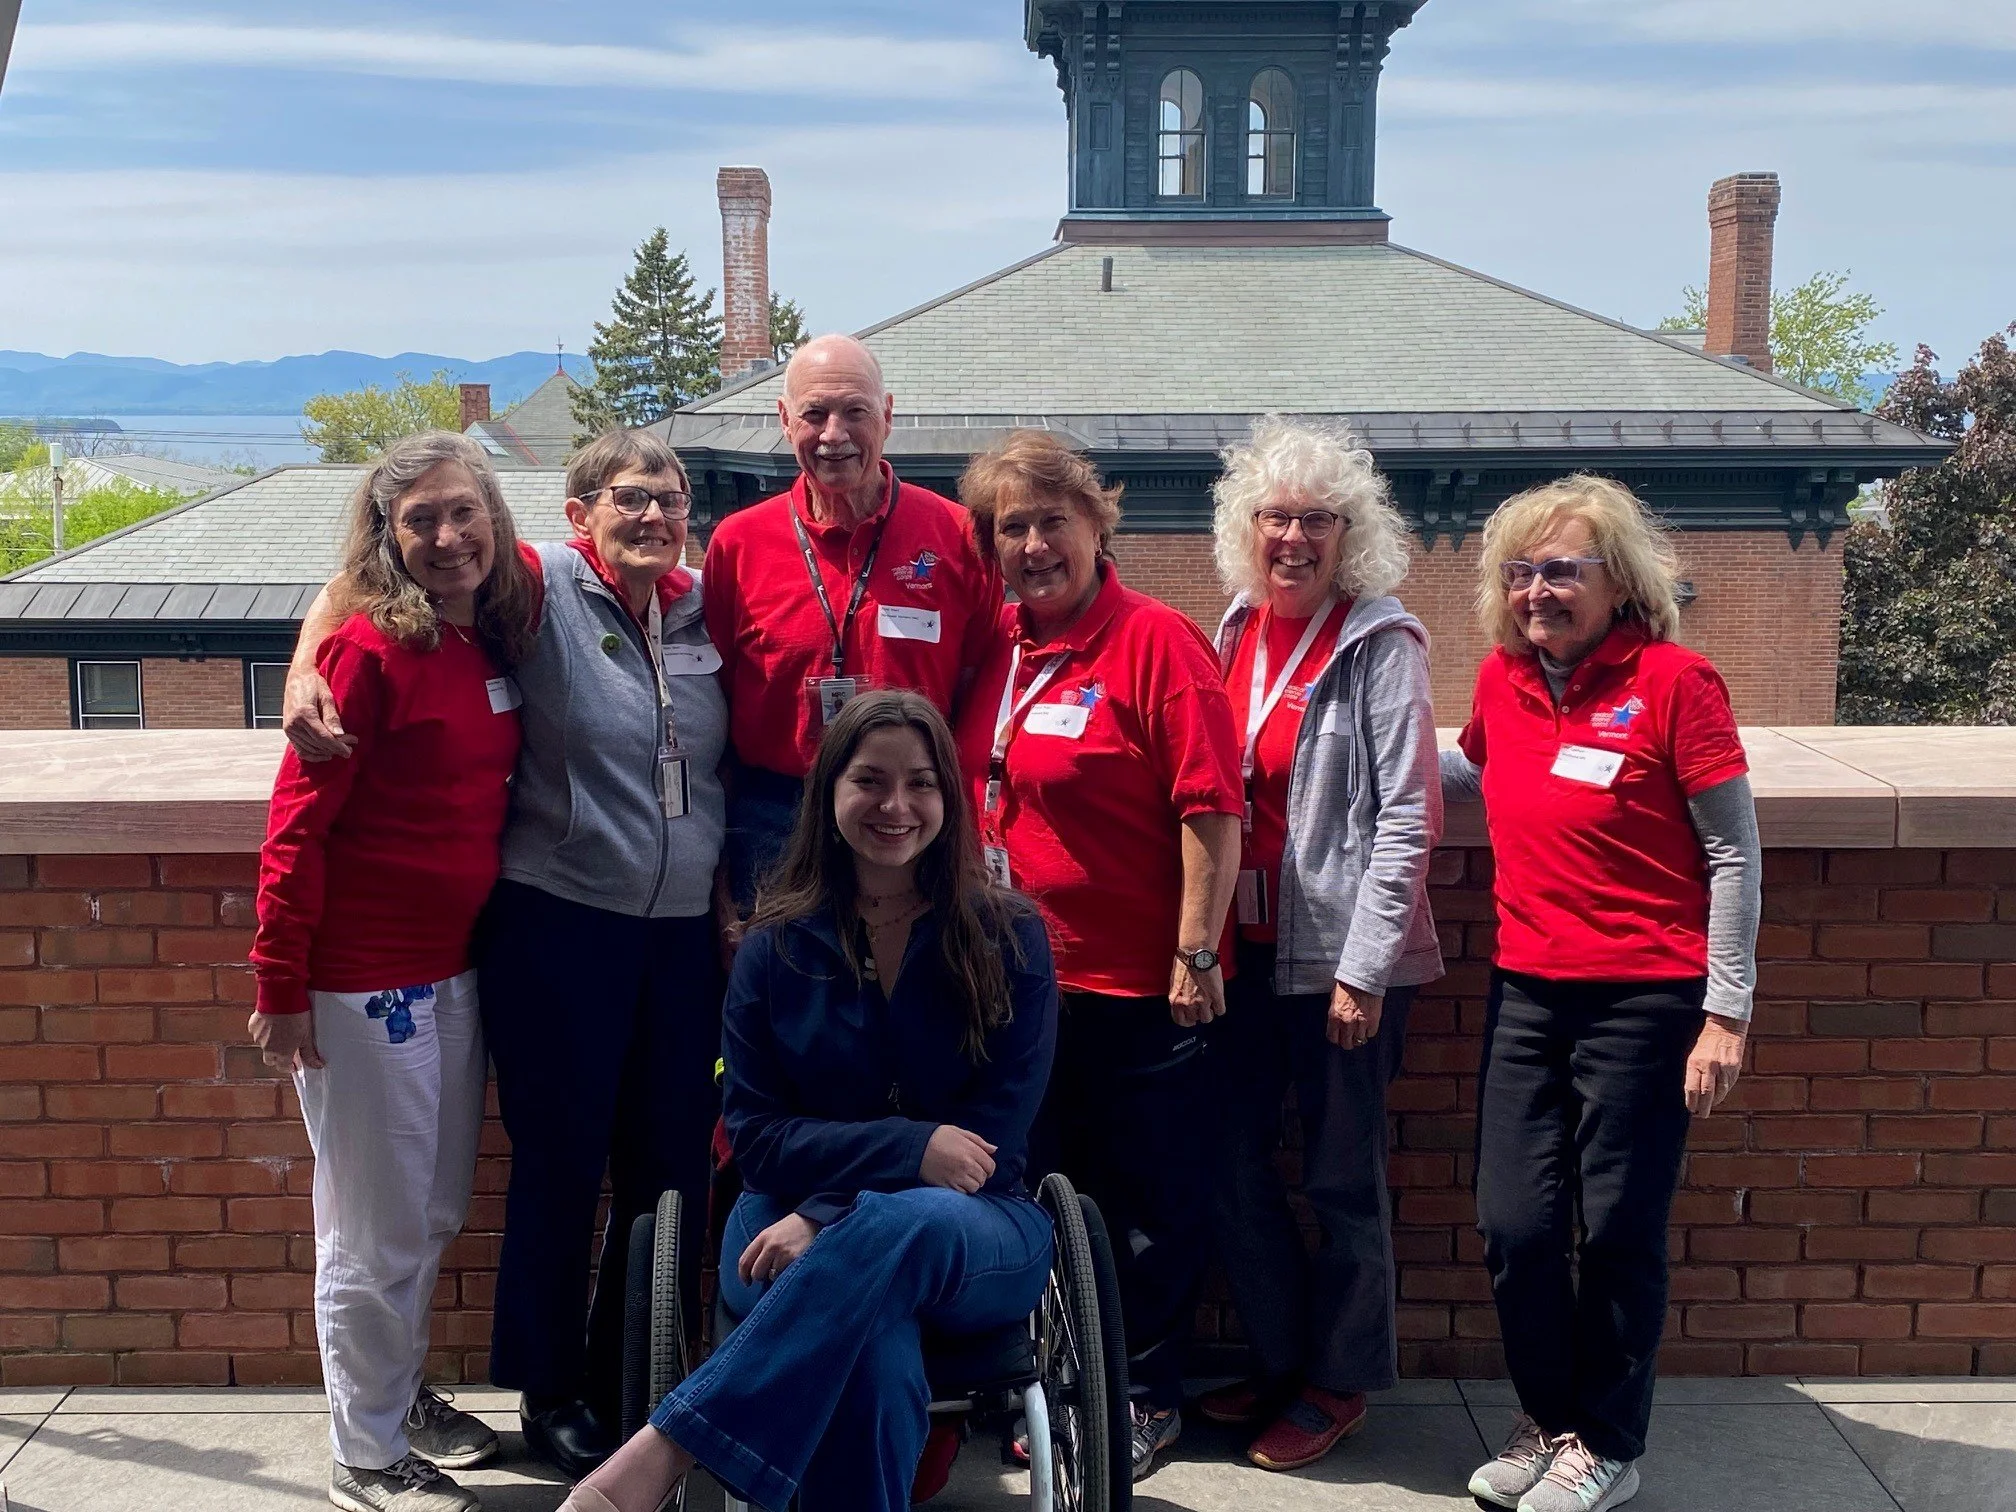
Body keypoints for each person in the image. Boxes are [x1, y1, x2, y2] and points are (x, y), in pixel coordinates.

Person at [280, 430, 730, 1478]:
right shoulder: (543, 587)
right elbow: (374, 570)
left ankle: (644, 1380)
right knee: (562, 1163)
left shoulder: (712, 604)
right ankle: (553, 1387)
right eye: (627, 496)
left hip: (680, 939)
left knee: (670, 1164)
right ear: (580, 515)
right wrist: (306, 665)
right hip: (559, 921)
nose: (650, 515)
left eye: (668, 496)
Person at [557, 691, 1058, 1512]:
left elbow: (986, 1144)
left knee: (905, 1223)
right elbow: (758, 1139)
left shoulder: (1010, 936)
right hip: (776, 1223)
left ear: (949, 799)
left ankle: (668, 1445)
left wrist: (832, 1211)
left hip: (972, 1232)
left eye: (921, 784)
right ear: (828, 794)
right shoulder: (771, 949)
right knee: (872, 1347)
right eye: (870, 780)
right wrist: (909, 1148)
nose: (896, 805)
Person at [1443, 475, 1759, 1512]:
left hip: (1646, 1003)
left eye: (1561, 570)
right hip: (1528, 993)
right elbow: (1473, 776)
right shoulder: (1502, 680)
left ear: (1618, 581)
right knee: (1516, 1223)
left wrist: (1727, 1012)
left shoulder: (1677, 682)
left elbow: (1734, 854)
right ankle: (1547, 1421)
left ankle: (1609, 1442)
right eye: (1521, 572)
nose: (1538, 591)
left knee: (1619, 1226)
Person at [249, 432, 538, 1512]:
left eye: (464, 513)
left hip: (450, 974)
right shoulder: (367, 652)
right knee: (370, 1230)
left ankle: (398, 1398)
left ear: (494, 520)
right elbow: (295, 830)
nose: (448, 536)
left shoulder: (487, 634)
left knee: (426, 1212)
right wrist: (279, 987)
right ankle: (362, 1454)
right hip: (361, 987)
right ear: (388, 537)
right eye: (420, 520)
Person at [951, 430, 1243, 1481]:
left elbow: (1212, 805)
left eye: (1051, 521)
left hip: (1137, 987)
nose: (1033, 545)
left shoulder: (1156, 642)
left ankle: (1141, 1395)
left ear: (1096, 524)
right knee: (1032, 1192)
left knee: (1149, 1207)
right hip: (1015, 985)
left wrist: (1194, 950)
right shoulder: (1003, 646)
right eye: (1012, 528)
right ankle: (1046, 1379)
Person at [1199, 418, 1444, 1471]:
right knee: (1231, 1158)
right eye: (1275, 515)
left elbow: (1407, 815)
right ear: (1245, 527)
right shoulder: (1230, 631)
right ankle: (1284, 1354)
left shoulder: (1380, 643)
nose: (1292, 537)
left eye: (1316, 519)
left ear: (1352, 535)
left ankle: (1339, 1381)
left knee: (1342, 1178)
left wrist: (1366, 965)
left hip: (1341, 964)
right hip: (1244, 954)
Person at [702, 333, 1001, 910]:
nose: (834, 435)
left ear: (887, 416)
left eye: (855, 412)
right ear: (785, 421)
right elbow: (715, 706)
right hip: (776, 814)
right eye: (815, 414)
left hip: (910, 810)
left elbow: (980, 692)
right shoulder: (736, 545)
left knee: (907, 987)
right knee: (781, 990)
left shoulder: (959, 538)